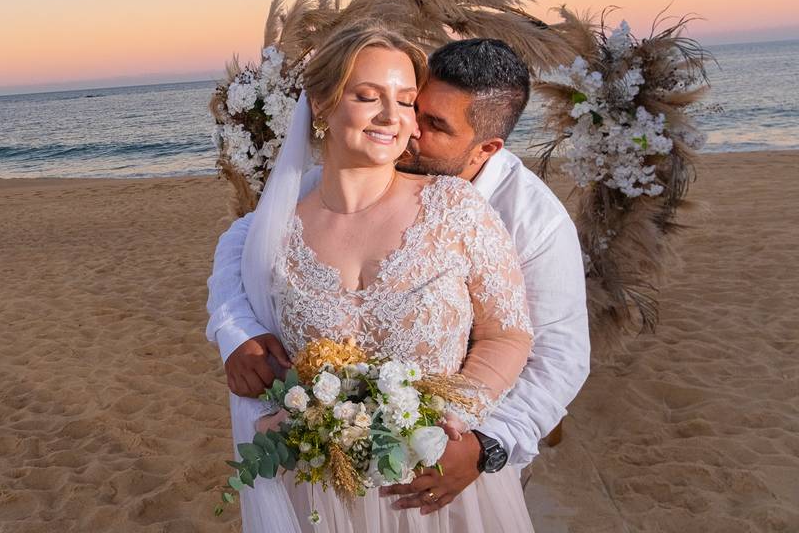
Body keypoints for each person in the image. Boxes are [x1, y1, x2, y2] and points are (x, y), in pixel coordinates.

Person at [208, 34, 591, 522]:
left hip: (450, 463)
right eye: (372, 97)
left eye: (422, 115)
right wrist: (234, 330)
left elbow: (550, 354)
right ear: (321, 106)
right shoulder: (292, 211)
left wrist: (472, 440)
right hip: (325, 489)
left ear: (486, 148)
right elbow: (243, 241)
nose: (404, 126)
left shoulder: (524, 218)